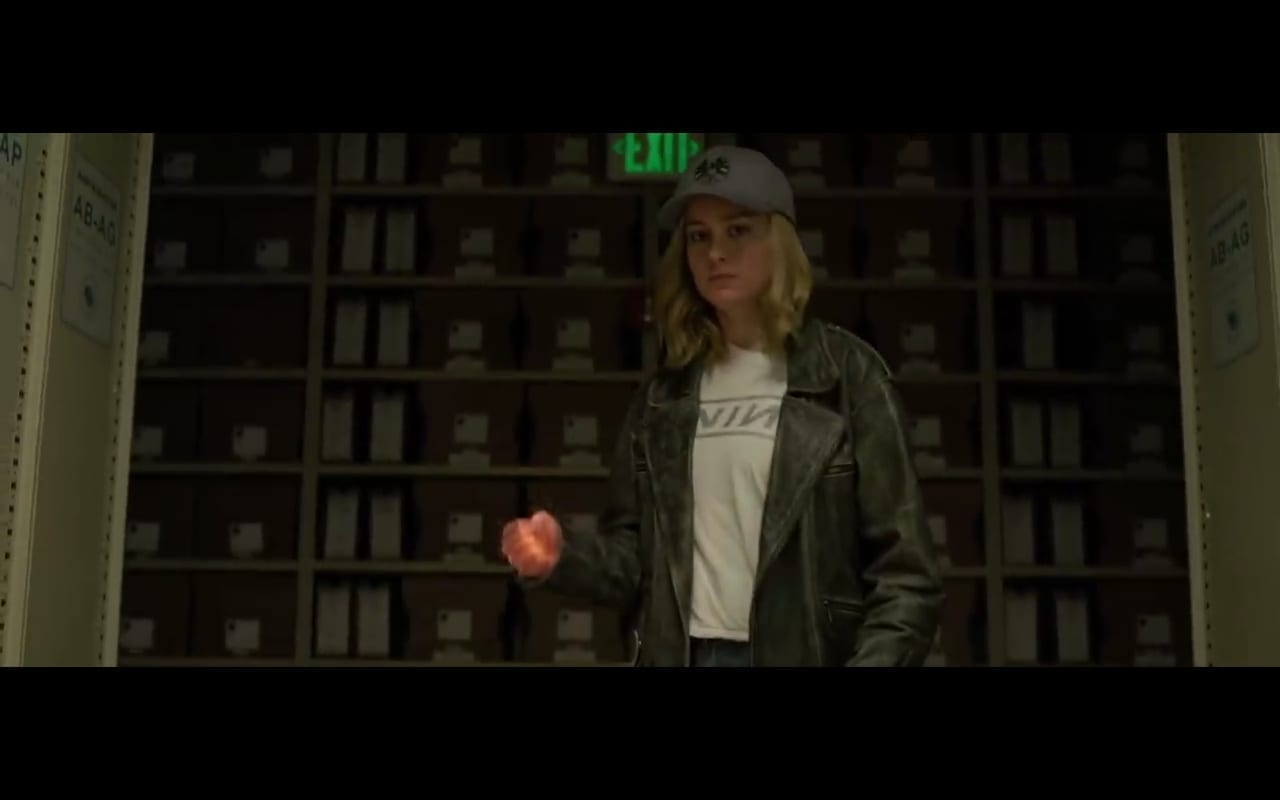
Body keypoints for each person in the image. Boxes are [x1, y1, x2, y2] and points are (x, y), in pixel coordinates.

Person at [502, 144, 943, 667]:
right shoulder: (663, 398)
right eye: (699, 236)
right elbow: (639, 565)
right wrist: (562, 556)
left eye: (738, 231)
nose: (715, 252)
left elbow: (906, 575)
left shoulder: (848, 377)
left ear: (779, 241)